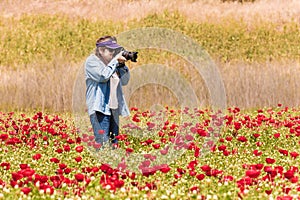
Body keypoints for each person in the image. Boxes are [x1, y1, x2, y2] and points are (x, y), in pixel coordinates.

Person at [84, 35, 130, 149]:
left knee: (114, 145)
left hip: (113, 108)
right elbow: (103, 76)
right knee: (103, 144)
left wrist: (122, 65)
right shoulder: (92, 61)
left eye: (116, 50)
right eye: (111, 50)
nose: (113, 53)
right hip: (99, 109)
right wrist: (115, 61)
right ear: (101, 50)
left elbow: (125, 81)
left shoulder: (113, 63)